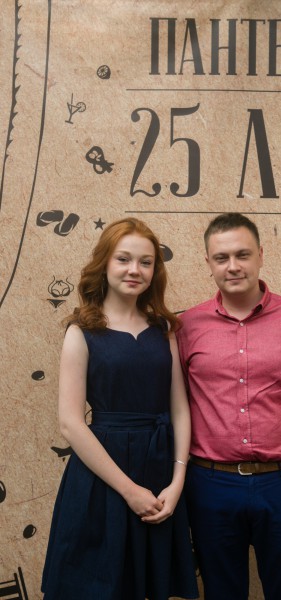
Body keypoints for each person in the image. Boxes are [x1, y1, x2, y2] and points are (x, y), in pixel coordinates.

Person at [176, 212, 281, 600]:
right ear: (208, 262)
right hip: (211, 486)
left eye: (242, 254)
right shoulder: (187, 326)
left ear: (261, 255)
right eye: (221, 258)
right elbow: (177, 402)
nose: (233, 266)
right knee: (221, 592)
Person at [42, 217, 198, 600]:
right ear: (105, 264)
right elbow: (70, 424)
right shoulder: (81, 331)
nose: (135, 270)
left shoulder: (164, 330)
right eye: (124, 259)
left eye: (146, 262)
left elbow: (180, 409)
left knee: (151, 584)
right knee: (100, 585)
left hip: (160, 471)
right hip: (103, 477)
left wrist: (177, 482)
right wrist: (130, 491)